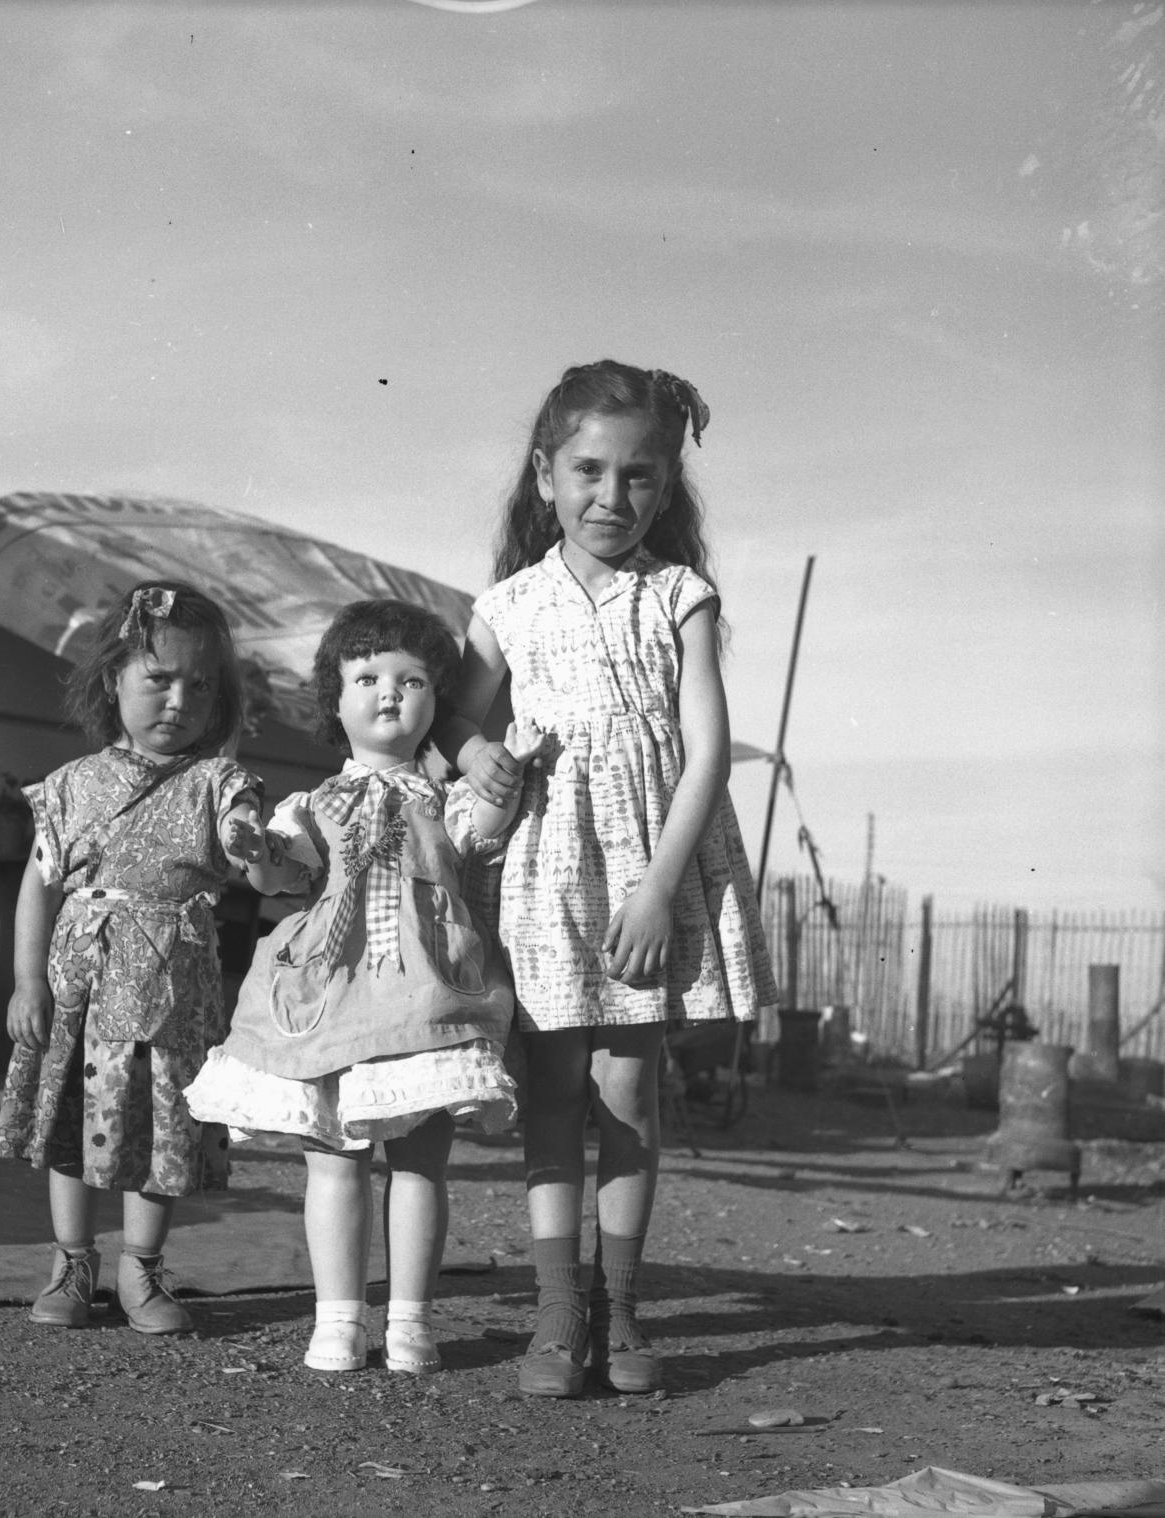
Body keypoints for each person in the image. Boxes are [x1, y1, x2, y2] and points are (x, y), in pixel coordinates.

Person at [440, 359, 778, 1398]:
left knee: (628, 1088)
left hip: (647, 872)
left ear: (666, 488)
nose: (611, 497)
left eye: (639, 476)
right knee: (551, 1091)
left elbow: (709, 751)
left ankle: (620, 1308)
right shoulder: (504, 606)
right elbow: (456, 715)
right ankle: (555, 1316)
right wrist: (471, 753)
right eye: (588, 470)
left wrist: (657, 888)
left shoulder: (679, 597)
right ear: (545, 475)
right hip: (545, 875)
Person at [185, 600, 540, 1376]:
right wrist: (254, 852)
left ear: (435, 704)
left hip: (426, 1000)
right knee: (335, 1159)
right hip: (332, 1004)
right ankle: (339, 1317)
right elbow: (283, 873)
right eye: (368, 677)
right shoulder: (313, 804)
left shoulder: (441, 800)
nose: (390, 693)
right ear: (335, 700)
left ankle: (410, 1320)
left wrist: (503, 778)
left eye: (412, 681)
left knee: (421, 1162)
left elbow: (483, 834)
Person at [0, 581, 262, 1335]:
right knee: (73, 1125)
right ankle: (72, 1263)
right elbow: (38, 886)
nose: (179, 699)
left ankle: (143, 1268)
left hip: (170, 997)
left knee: (159, 1128)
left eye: (200, 685)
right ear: (113, 679)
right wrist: (25, 983)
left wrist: (247, 838)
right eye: (160, 679)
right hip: (80, 990)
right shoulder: (72, 786)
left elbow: (250, 843)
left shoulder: (219, 783)